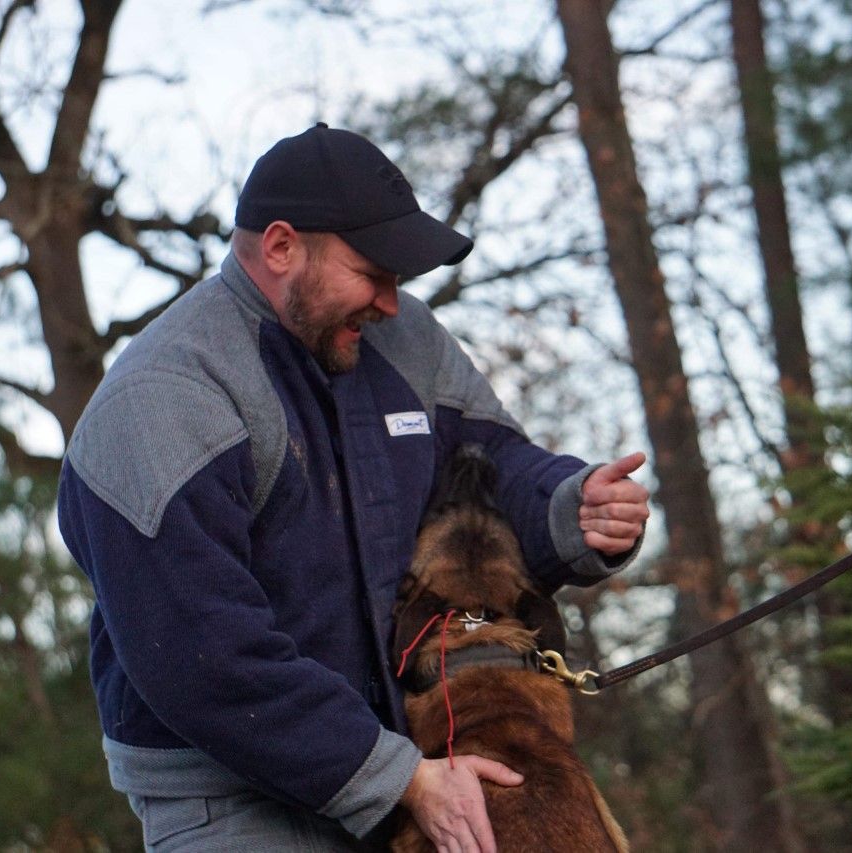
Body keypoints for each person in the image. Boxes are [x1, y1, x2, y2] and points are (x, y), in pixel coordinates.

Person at [57, 123, 649, 852]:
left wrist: (573, 504)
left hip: (409, 769)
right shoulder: (164, 400)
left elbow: (494, 466)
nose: (392, 303)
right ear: (280, 248)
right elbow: (206, 659)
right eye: (374, 273)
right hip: (236, 801)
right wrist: (399, 778)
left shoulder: (405, 343)